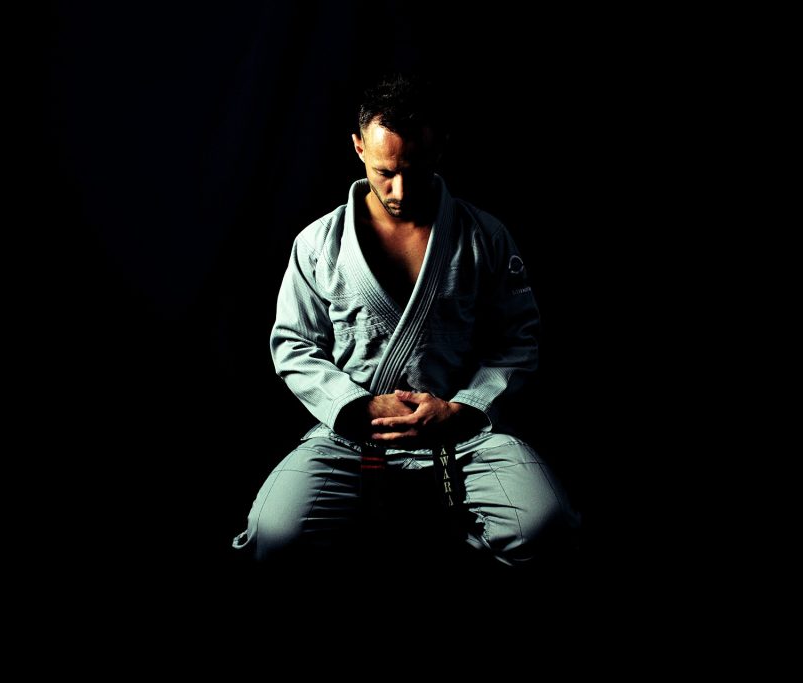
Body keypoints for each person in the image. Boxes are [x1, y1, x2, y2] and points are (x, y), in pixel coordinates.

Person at [231, 74, 580, 568]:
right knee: (275, 534)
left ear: (440, 149)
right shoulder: (317, 244)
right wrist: (357, 405)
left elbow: (518, 339)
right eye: (384, 172)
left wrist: (464, 407)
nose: (399, 189)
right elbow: (293, 345)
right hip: (351, 432)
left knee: (543, 526)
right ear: (358, 148)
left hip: (463, 431)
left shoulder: (485, 237)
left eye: (414, 171)